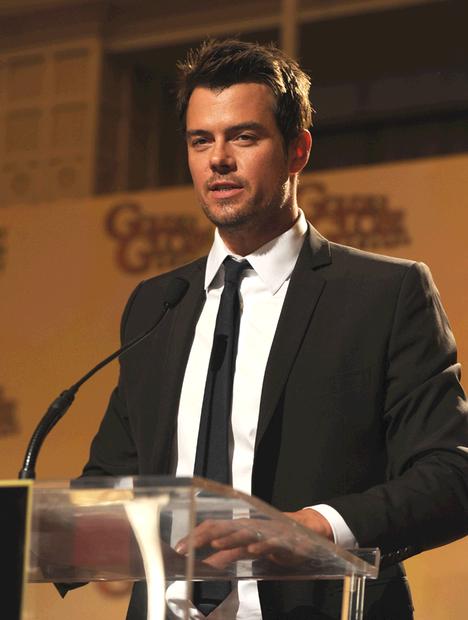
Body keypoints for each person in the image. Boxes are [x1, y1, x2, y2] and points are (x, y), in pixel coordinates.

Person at [81, 40, 468, 619]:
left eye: (243, 137)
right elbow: (110, 479)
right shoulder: (157, 304)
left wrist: (313, 528)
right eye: (200, 140)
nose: (218, 160)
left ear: (297, 151)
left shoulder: (384, 295)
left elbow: (452, 474)